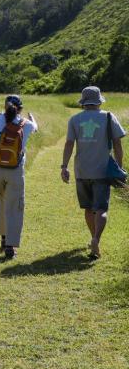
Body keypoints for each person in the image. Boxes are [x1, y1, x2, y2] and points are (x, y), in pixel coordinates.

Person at [61, 86, 125, 259]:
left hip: (82, 171)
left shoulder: (74, 120)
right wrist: (119, 166)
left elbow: (69, 144)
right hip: (102, 171)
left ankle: (92, 238)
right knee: (101, 208)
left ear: (83, 103)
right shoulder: (109, 117)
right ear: (99, 101)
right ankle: (96, 239)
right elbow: (118, 144)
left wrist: (64, 166)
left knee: (88, 208)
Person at [0, 95, 38, 259]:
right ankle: (10, 246)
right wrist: (32, 118)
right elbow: (35, 128)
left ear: (5, 106)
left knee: (0, 203)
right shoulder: (28, 124)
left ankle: (3, 238)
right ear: (20, 108)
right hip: (15, 170)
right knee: (14, 206)